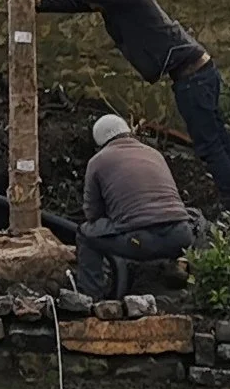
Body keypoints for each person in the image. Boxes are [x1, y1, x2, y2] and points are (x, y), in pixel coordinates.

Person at [36, 0, 230, 221]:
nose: (91, 7)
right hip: (199, 72)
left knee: (210, 146)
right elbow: (76, 1)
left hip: (194, 78)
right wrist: (41, 3)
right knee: (220, 140)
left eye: (93, 0)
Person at [74, 113, 196, 300]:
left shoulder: (97, 162)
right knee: (195, 217)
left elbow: (92, 214)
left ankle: (91, 298)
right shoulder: (154, 153)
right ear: (128, 132)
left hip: (140, 242)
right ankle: (180, 265)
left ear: (99, 143)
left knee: (85, 233)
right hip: (181, 236)